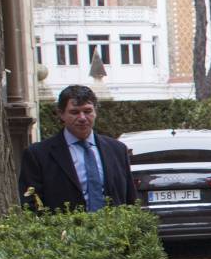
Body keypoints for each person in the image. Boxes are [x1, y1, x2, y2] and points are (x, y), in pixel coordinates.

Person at [18, 84, 133, 212]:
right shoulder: (38, 155)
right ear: (61, 114)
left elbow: (130, 200)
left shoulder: (117, 150)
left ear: (95, 112)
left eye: (87, 111)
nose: (82, 118)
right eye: (75, 112)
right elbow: (30, 204)